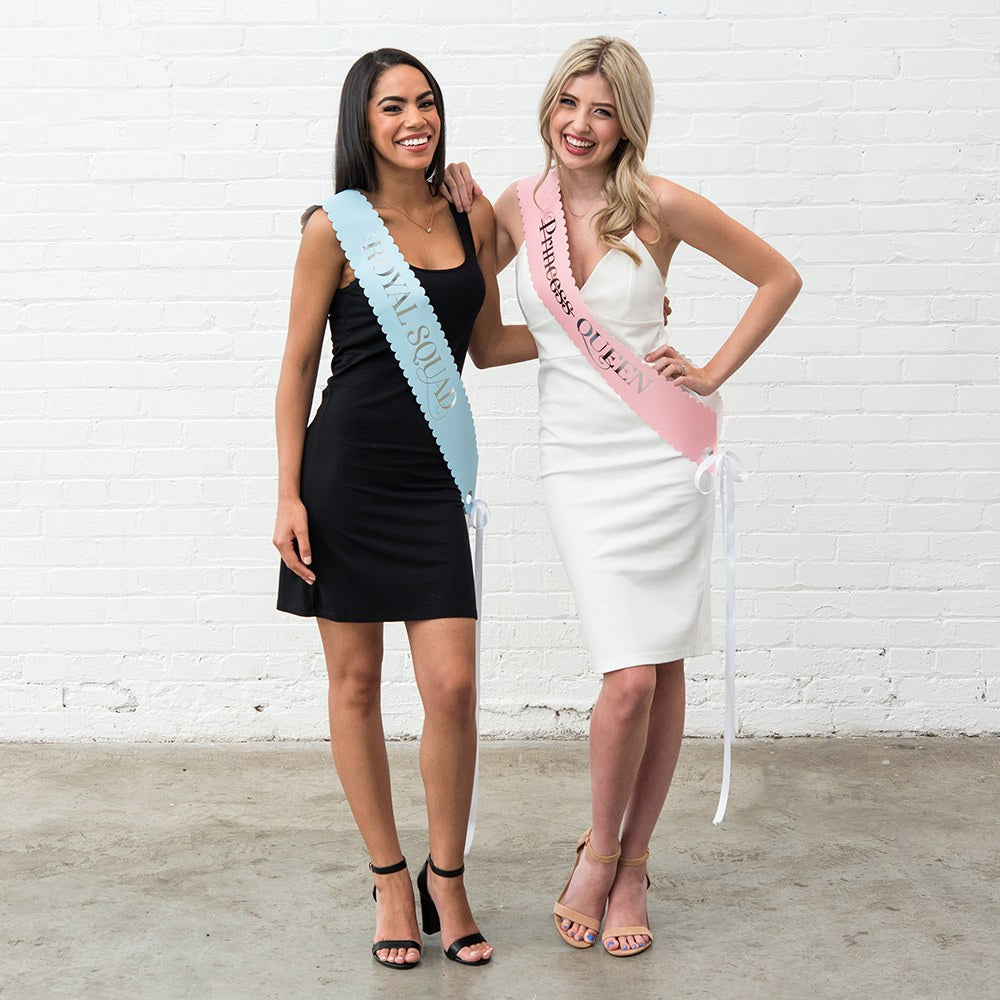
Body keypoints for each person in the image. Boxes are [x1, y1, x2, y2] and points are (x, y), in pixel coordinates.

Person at [443, 36, 801, 956]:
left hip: (663, 454)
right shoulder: (517, 209)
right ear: (548, 106)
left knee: (662, 663)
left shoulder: (660, 205)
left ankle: (630, 862)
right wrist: (466, 221)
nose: (580, 124)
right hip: (578, 461)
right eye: (569, 102)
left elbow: (779, 277)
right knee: (630, 675)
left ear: (627, 123)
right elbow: (488, 343)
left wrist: (710, 371)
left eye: (602, 110)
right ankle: (599, 850)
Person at [273, 48, 532, 970]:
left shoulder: (470, 214)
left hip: (430, 482)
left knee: (453, 687)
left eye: (426, 102)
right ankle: (390, 877)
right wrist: (287, 493)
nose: (415, 119)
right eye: (393, 106)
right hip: (345, 478)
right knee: (355, 685)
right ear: (363, 121)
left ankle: (446, 876)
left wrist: (600, 334)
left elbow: (489, 344)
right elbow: (297, 367)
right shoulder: (335, 228)